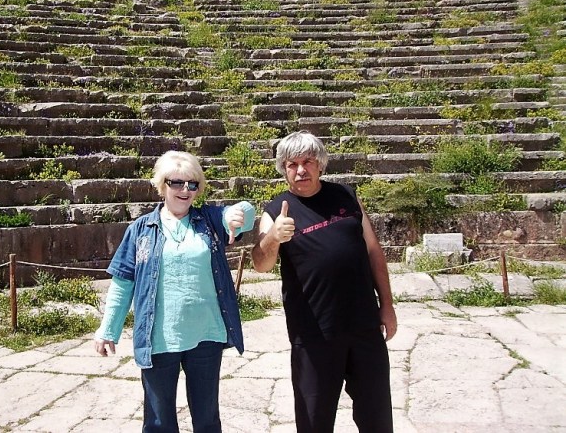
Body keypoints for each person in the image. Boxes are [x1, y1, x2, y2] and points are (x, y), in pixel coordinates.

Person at [94, 150, 255, 433]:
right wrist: (108, 329)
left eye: (192, 184)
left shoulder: (211, 219)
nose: (185, 190)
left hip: (207, 334)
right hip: (159, 337)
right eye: (177, 183)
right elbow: (123, 282)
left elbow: (246, 215)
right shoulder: (140, 229)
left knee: (207, 420)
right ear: (162, 185)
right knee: (158, 422)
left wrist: (237, 214)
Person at [251, 131, 397, 433]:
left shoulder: (346, 195)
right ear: (283, 169)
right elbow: (260, 265)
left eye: (307, 161)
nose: (300, 170)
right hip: (313, 333)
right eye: (292, 164)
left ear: (320, 163)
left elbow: (373, 251)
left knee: (377, 419)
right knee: (314, 422)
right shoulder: (276, 210)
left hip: (364, 325)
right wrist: (274, 237)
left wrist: (387, 305)